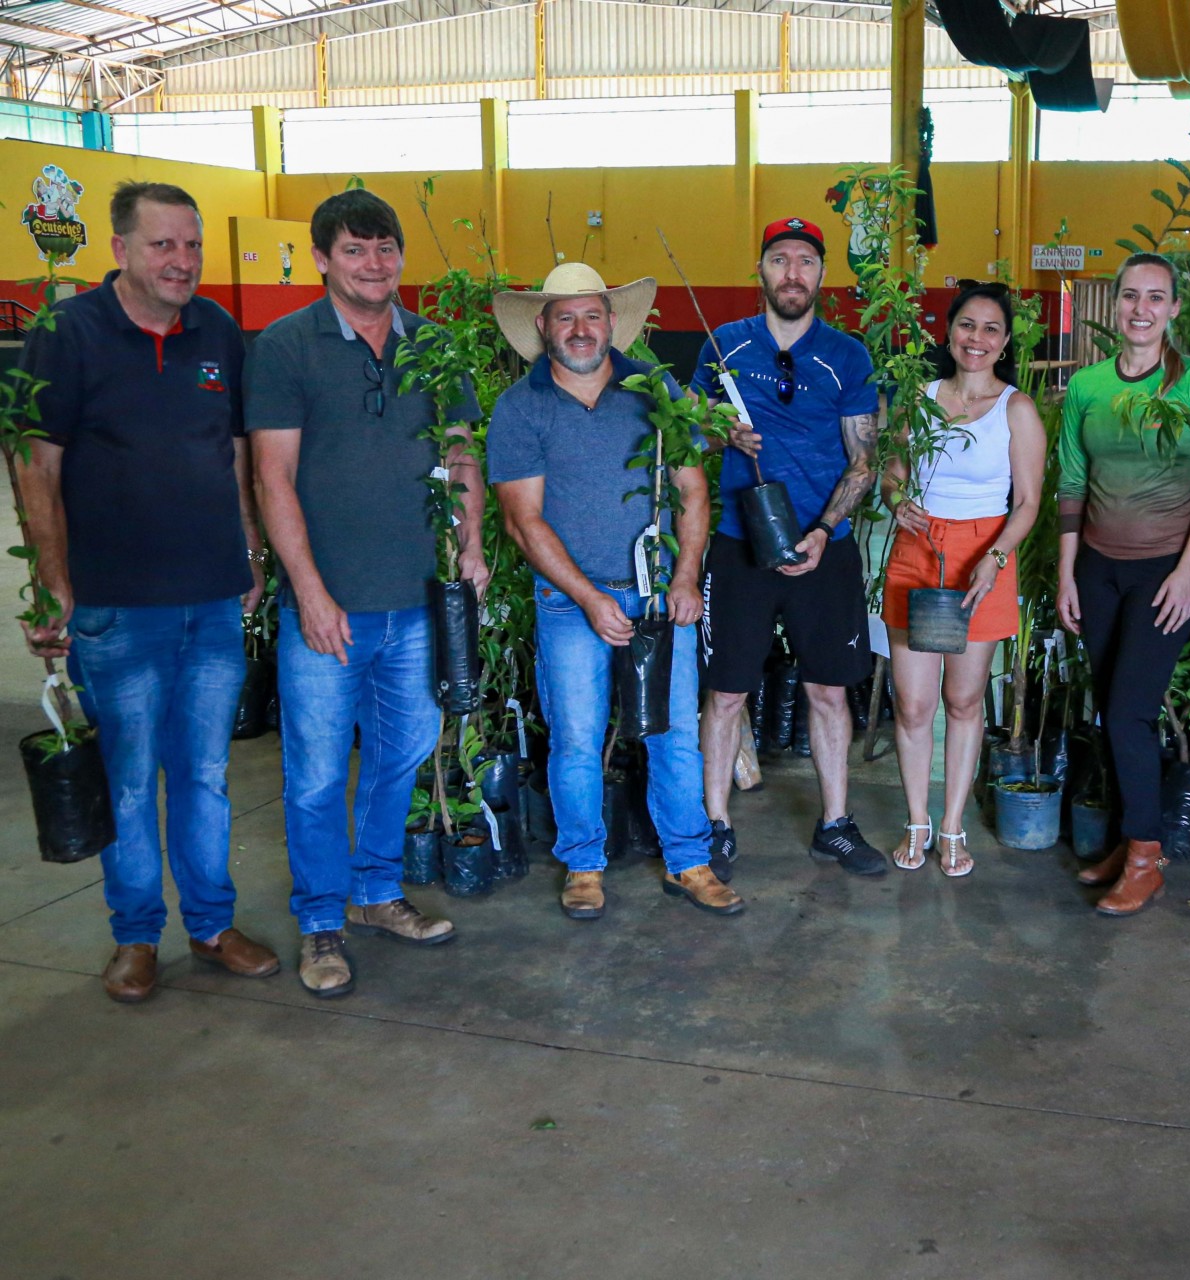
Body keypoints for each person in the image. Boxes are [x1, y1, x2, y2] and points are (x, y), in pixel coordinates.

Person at [19, 180, 278, 1002]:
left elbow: (234, 449)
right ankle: (135, 936)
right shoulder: (68, 333)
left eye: (192, 244)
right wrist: (52, 581)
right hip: (114, 606)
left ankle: (209, 925)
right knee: (129, 777)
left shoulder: (218, 332)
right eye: (163, 244)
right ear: (119, 249)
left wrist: (250, 547)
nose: (182, 260)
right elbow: (35, 463)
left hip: (210, 598)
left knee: (202, 774)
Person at [247, 189, 487, 999]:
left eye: (384, 249)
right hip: (330, 608)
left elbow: (460, 458)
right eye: (353, 250)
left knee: (401, 757)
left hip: (418, 605)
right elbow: (271, 476)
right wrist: (309, 592)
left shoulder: (436, 345)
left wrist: (471, 545)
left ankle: (377, 893)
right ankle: (321, 920)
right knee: (316, 773)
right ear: (321, 258)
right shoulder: (285, 348)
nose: (372, 264)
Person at [489, 264, 741, 919]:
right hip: (571, 604)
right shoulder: (522, 408)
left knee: (674, 734)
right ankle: (583, 865)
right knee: (575, 737)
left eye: (591, 314)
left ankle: (688, 860)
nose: (579, 329)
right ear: (542, 326)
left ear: (611, 321)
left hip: (658, 596)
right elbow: (524, 520)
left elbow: (691, 488)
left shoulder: (652, 388)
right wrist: (589, 598)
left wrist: (686, 575)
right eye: (564, 316)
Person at [692, 217, 887, 878]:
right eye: (780, 259)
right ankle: (713, 826)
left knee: (829, 692)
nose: (793, 272)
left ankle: (835, 824)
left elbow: (863, 463)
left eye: (806, 260)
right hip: (738, 544)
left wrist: (823, 531)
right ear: (762, 270)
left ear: (821, 275)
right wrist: (724, 435)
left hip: (821, 548)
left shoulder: (848, 356)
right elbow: (690, 438)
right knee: (724, 693)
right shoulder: (724, 348)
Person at [1058, 252, 1190, 917]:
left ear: (1174, 309)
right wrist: (1071, 570)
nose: (1141, 309)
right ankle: (1132, 840)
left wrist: (1188, 573)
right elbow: (1071, 483)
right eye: (1131, 296)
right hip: (1099, 568)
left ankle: (1145, 858)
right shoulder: (1088, 387)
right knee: (1110, 712)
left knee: (1130, 713)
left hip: (1165, 571)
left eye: (1156, 298)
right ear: (1115, 305)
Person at [879, 282, 1045, 876]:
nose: (978, 339)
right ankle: (916, 821)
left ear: (1004, 343)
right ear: (948, 335)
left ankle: (952, 825)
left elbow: (1027, 502)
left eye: (991, 329)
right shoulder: (918, 400)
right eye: (967, 326)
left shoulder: (1016, 409)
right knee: (915, 703)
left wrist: (995, 556)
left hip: (985, 556)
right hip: (919, 550)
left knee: (964, 698)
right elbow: (891, 476)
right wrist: (897, 501)